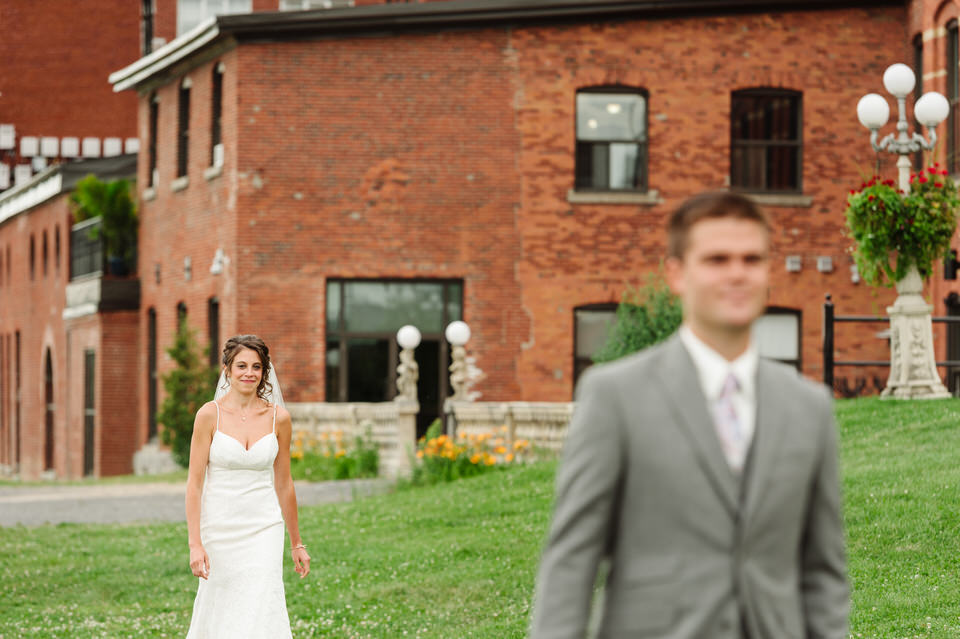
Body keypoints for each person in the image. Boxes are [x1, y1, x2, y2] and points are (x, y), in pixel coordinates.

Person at [530, 192, 849, 639]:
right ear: (677, 274)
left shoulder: (809, 407)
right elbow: (572, 560)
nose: (737, 274)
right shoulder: (614, 396)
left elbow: (823, 572)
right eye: (717, 260)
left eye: (751, 259)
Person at [185, 334, 310, 638]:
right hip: (220, 527)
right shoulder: (208, 415)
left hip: (264, 525)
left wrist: (296, 542)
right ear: (227, 369)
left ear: (264, 372)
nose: (249, 373)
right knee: (222, 604)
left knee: (262, 600)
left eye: (256, 366)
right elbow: (194, 484)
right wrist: (195, 543)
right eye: (241, 365)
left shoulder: (278, 418)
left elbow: (284, 482)